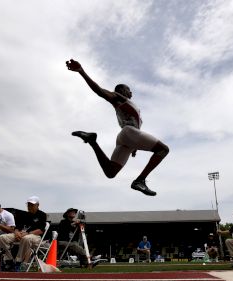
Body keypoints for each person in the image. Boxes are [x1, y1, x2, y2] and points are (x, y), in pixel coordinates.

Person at [66, 59, 169, 196]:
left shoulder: (129, 105)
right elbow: (100, 91)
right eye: (129, 90)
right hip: (129, 133)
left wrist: (135, 146)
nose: (131, 92)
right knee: (163, 150)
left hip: (125, 139)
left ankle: (92, 141)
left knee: (110, 172)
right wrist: (81, 72)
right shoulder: (119, 97)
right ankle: (140, 180)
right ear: (122, 90)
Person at [0, 196, 47, 271]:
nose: (30, 206)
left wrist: (27, 233)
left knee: (26, 238)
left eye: (32, 205)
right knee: (2, 238)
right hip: (21, 233)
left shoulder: (42, 215)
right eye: (28, 204)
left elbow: (41, 230)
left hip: (35, 236)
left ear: (38, 205)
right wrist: (17, 232)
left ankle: (18, 262)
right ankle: (9, 260)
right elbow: (17, 227)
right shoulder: (23, 214)